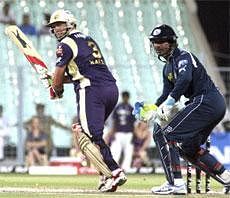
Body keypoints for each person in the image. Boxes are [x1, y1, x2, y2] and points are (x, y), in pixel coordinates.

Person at [134, 24, 230, 194]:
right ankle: (227, 177)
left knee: (166, 133)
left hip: (206, 101)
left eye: (161, 41)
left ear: (171, 42)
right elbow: (167, 93)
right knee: (189, 148)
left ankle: (176, 183)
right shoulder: (167, 67)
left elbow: (184, 80)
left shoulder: (184, 57)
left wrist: (169, 103)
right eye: (154, 41)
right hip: (207, 105)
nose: (157, 45)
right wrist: (152, 109)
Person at [46, 9, 127, 192]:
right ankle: (105, 175)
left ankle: (114, 172)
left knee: (89, 135)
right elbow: (78, 73)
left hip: (91, 90)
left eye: (59, 24)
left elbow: (61, 75)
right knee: (86, 132)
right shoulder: (87, 39)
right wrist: (56, 81)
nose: (56, 29)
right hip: (110, 89)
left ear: (70, 24)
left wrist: (56, 88)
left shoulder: (65, 44)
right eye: (53, 26)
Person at [107, 91, 136, 172]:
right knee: (117, 150)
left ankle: (123, 168)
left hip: (126, 132)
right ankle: (116, 167)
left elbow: (115, 120)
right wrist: (113, 132)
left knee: (127, 151)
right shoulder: (130, 108)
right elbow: (115, 121)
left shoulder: (119, 107)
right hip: (121, 132)